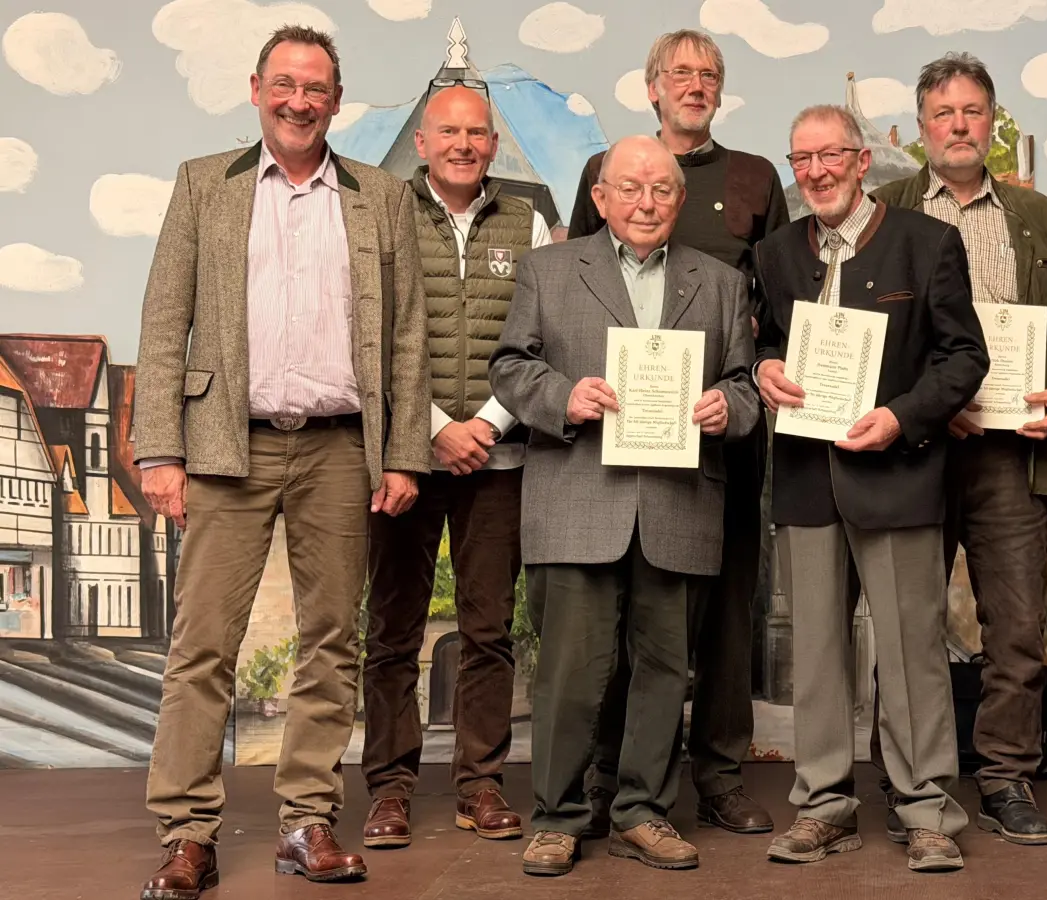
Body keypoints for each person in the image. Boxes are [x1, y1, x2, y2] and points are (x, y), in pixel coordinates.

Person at [132, 25, 431, 900]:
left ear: (337, 102)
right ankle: (188, 833)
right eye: (285, 84)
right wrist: (160, 448)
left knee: (332, 641)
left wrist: (404, 452)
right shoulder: (202, 186)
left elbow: (407, 337)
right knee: (202, 648)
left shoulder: (380, 195)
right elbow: (162, 322)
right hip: (227, 443)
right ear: (257, 88)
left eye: (317, 88)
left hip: (343, 446)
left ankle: (307, 822)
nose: (300, 100)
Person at [491, 135, 760, 877]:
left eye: (663, 191)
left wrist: (725, 411)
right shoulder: (548, 269)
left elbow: (746, 387)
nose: (647, 203)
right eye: (630, 189)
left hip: (677, 506)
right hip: (579, 498)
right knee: (572, 674)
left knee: (666, 670)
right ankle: (557, 816)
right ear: (601, 198)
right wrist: (564, 397)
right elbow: (510, 366)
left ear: (679, 201)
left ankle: (642, 811)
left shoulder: (720, 282)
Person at [565, 28, 789, 836]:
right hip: (615, 437)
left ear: (720, 92)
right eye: (681, 74)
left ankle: (721, 775)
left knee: (729, 608)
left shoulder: (756, 177)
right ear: (651, 85)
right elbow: (573, 288)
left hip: (716, 433)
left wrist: (754, 383)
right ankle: (607, 776)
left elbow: (778, 305)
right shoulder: (607, 168)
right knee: (623, 608)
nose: (695, 85)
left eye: (709, 75)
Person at [756, 104, 989, 873]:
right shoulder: (776, 254)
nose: (816, 172)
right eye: (802, 159)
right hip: (806, 481)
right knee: (817, 656)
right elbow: (762, 343)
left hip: (898, 474)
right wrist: (762, 370)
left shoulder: (929, 244)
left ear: (862, 161)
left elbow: (963, 359)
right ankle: (823, 805)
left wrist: (900, 418)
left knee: (913, 651)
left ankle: (925, 809)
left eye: (831, 156)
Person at [872, 51, 1047, 846]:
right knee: (906, 621)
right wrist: (933, 403)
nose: (959, 126)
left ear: (991, 124)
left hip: (1010, 453)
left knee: (1017, 625)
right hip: (914, 450)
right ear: (923, 126)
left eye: (972, 113)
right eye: (943, 114)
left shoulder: (1037, 218)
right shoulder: (885, 208)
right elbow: (871, 340)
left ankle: (1005, 775)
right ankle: (907, 779)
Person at [359, 83, 554, 851]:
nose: (464, 145)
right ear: (422, 142)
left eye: (478, 133)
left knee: (488, 630)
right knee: (394, 630)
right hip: (407, 458)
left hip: (500, 458)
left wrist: (490, 423)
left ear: (493, 144)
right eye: (450, 132)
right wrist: (436, 429)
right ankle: (390, 790)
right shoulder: (382, 211)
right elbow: (368, 334)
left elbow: (540, 338)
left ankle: (480, 783)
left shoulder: (528, 218)